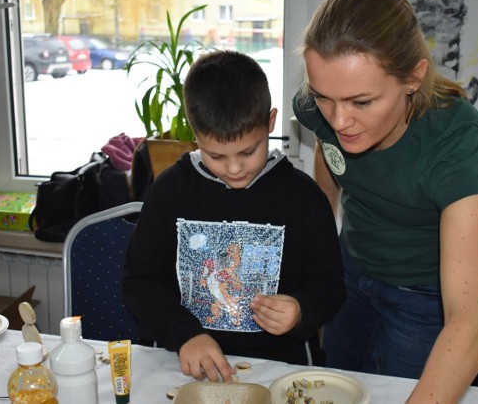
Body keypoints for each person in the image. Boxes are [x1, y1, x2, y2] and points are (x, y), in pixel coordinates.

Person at [292, 0, 478, 404]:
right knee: (340, 384)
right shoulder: (316, 109)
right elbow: (328, 154)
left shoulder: (458, 140)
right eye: (324, 97)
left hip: (421, 293)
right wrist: (319, 249)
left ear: (413, 77)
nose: (340, 119)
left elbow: (471, 324)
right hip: (352, 269)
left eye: (361, 102)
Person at [122, 50, 345, 383]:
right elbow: (139, 282)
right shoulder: (170, 190)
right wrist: (184, 333)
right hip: (180, 367)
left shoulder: (303, 197)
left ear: (270, 122)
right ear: (193, 130)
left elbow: (329, 284)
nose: (235, 167)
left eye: (248, 151)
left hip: (278, 372)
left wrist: (301, 309)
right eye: (216, 156)